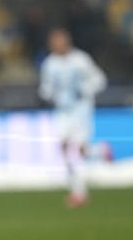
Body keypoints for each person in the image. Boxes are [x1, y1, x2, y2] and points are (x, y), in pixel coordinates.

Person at [38, 28, 107, 207]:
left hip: (81, 110)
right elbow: (46, 88)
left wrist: (86, 90)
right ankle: (78, 192)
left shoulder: (81, 60)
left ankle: (100, 151)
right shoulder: (49, 64)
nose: (57, 45)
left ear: (67, 42)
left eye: (60, 41)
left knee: (80, 150)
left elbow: (100, 80)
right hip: (62, 112)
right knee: (63, 147)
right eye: (54, 42)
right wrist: (47, 94)